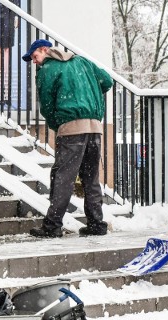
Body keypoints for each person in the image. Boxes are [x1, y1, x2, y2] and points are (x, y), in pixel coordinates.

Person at [22, 39, 113, 238]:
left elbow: (46, 106)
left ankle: (52, 226)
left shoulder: (47, 70)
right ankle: (96, 223)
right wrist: (89, 95)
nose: (35, 62)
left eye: (35, 57)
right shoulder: (82, 62)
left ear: (45, 50)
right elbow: (107, 81)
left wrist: (58, 124)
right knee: (91, 178)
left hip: (71, 129)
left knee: (63, 177)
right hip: (95, 129)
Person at [0, 0, 20, 107]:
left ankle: (6, 93)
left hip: (10, 9)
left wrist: (17, 14)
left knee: (7, 49)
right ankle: (0, 92)